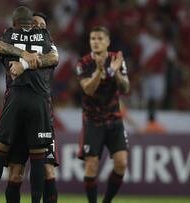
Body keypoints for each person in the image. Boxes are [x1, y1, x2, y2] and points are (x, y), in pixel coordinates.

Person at [0, 6, 57, 203]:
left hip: (16, 98)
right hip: (39, 102)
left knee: (1, 148)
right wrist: (26, 56)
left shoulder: (10, 34)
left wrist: (22, 62)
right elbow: (53, 57)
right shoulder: (44, 37)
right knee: (32, 160)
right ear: (31, 23)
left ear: (14, 23)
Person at [76, 26, 130, 203]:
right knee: (91, 166)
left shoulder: (117, 59)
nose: (96, 42)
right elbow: (88, 89)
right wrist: (100, 72)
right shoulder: (83, 63)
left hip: (114, 119)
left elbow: (125, 88)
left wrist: (114, 73)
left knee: (121, 162)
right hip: (92, 120)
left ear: (107, 41)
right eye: (93, 39)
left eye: (100, 38)